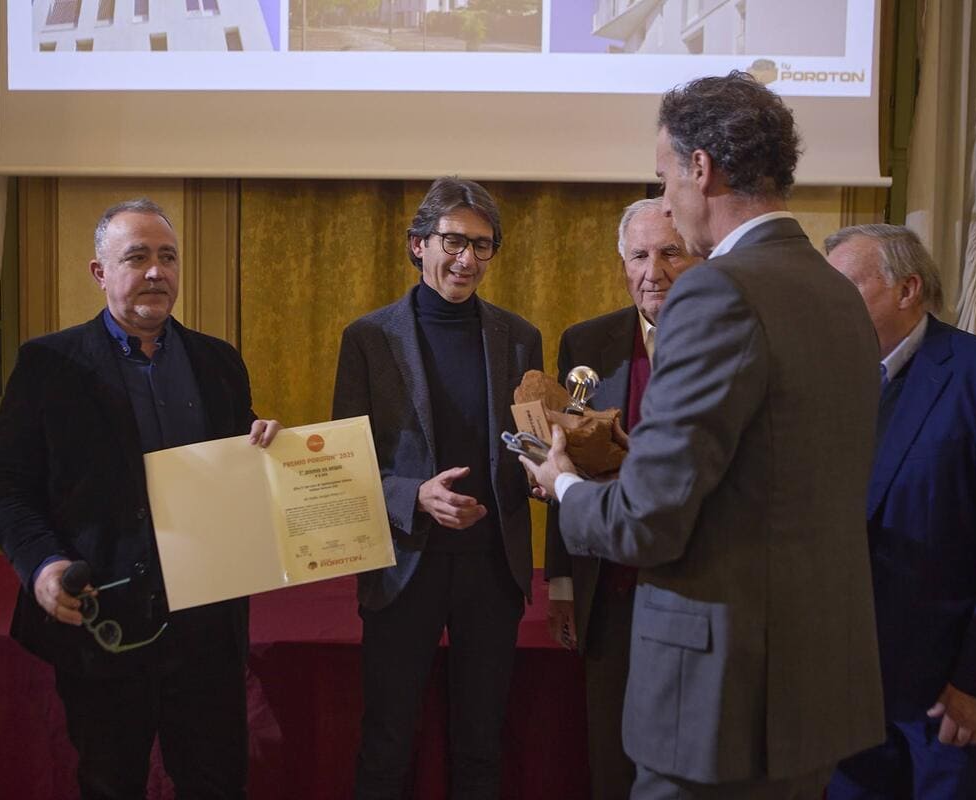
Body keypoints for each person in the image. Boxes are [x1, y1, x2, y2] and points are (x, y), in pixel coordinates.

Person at [523, 71, 885, 798]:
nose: (664, 201)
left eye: (663, 179)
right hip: (814, 689)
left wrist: (562, 485)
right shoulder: (839, 291)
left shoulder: (716, 291)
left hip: (718, 703)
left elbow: (645, 520)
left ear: (700, 167)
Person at [0, 198, 280, 800]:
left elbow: (237, 466)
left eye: (168, 257)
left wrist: (266, 447)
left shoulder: (219, 362)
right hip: (103, 622)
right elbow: (3, 484)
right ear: (100, 271)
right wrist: (42, 565)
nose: (156, 272)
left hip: (206, 629)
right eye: (137, 257)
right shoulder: (48, 364)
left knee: (218, 784)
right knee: (110, 784)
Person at [332, 176, 542, 799]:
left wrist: (547, 470)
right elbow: (347, 466)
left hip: (491, 569)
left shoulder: (520, 337)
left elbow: (528, 443)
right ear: (418, 243)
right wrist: (414, 495)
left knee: (480, 745)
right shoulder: (369, 338)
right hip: (404, 565)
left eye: (482, 245)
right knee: (388, 743)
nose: (467, 259)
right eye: (453, 241)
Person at [824, 224, 976, 799]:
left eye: (845, 289)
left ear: (907, 289)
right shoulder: (828, 384)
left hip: (950, 701)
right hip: (849, 693)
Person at [544, 197, 700, 799]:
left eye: (670, 253)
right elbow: (564, 465)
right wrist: (562, 583)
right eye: (639, 256)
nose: (652, 272)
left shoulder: (729, 340)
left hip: (695, 591)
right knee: (611, 756)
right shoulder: (586, 343)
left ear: (699, 258)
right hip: (609, 587)